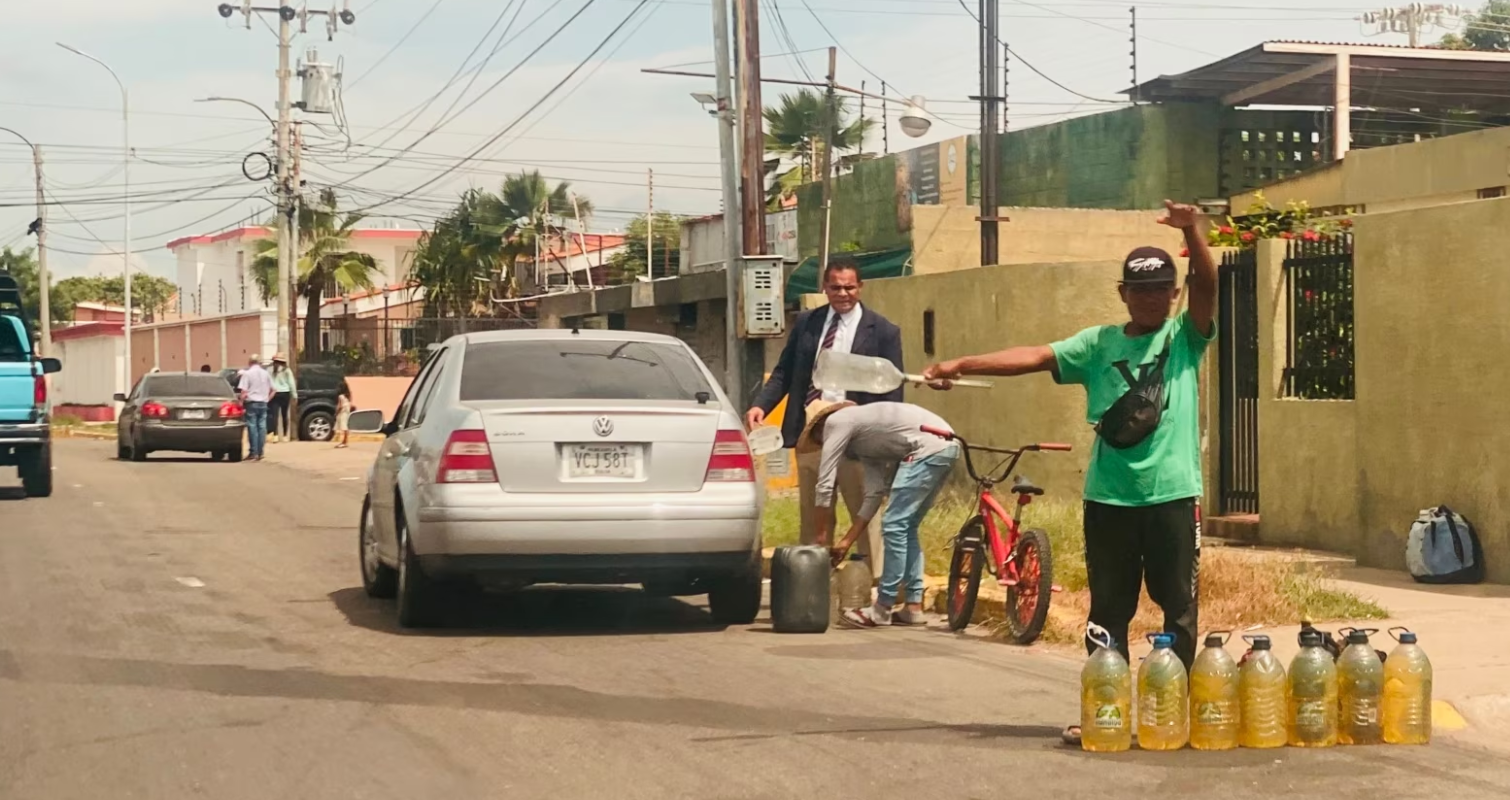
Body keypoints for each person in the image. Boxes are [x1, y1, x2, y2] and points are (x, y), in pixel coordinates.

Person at [923, 201, 1217, 744]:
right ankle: (1105, 714)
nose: (1153, 298)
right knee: (1108, 608)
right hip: (1108, 500)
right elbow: (1034, 355)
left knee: (1179, 609)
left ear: (1174, 294)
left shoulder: (1185, 338)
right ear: (1122, 292)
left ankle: (1174, 713)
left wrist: (1192, 232)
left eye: (1162, 290)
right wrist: (962, 363)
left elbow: (1209, 284)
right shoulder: (1097, 344)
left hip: (1174, 496)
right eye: (1141, 288)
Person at [747, 257, 904, 570]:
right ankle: (814, 580)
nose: (842, 293)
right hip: (812, 431)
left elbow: (893, 391)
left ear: (861, 287)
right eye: (835, 287)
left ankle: (874, 585)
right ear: (825, 287)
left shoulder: (883, 331)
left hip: (858, 435)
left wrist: (886, 438)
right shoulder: (808, 323)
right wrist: (760, 405)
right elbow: (785, 371)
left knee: (864, 511)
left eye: (849, 287)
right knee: (814, 514)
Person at [799, 400, 960, 628]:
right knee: (906, 525)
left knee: (894, 525)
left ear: (821, 428)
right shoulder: (867, 443)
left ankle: (882, 608)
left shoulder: (836, 422)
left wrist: (820, 537)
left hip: (928, 445)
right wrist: (846, 542)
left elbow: (824, 484)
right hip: (946, 446)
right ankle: (913, 607)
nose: (826, 446)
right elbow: (874, 494)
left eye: (821, 442)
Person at [237, 353, 276, 462]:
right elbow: (274, 389)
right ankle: (261, 452)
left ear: (250, 362)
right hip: (263, 403)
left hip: (251, 403)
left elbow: (244, 391)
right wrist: (267, 399)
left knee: (252, 427)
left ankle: (253, 452)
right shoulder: (266, 373)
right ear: (259, 362)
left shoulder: (247, 374)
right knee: (262, 427)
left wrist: (241, 402)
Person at [268, 353, 296, 443]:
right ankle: (284, 436)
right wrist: (294, 395)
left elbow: (267, 382)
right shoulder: (287, 370)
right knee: (284, 415)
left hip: (274, 393)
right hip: (285, 393)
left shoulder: (270, 370)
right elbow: (291, 383)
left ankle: (275, 435)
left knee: (274, 415)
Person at [334, 380, 352, 449]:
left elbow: (340, 406)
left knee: (343, 427)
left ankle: (344, 442)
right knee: (345, 427)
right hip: (347, 412)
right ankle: (345, 441)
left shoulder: (340, 396)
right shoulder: (348, 395)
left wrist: (336, 412)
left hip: (342, 412)